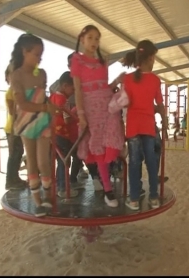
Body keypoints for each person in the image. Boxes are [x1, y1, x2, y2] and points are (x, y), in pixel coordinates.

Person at [71, 24, 125, 208]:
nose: (94, 41)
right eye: (90, 37)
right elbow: (78, 89)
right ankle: (108, 190)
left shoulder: (103, 62)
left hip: (107, 107)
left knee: (113, 139)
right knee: (98, 149)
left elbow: (104, 88)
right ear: (82, 39)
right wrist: (81, 114)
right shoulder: (77, 60)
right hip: (90, 110)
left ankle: (110, 180)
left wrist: (117, 81)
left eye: (97, 38)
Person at [10, 33, 59, 217]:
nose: (39, 58)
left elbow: (42, 95)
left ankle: (47, 195)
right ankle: (37, 200)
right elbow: (22, 104)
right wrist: (45, 107)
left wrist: (49, 109)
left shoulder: (42, 73)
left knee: (43, 161)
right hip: (25, 121)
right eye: (36, 54)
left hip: (42, 121)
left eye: (41, 55)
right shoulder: (17, 75)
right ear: (25, 52)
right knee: (31, 160)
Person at [122, 39, 167, 210]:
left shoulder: (127, 79)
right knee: (151, 161)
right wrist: (164, 120)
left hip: (133, 126)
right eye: (154, 58)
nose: (154, 61)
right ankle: (153, 197)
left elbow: (126, 103)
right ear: (149, 58)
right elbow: (160, 104)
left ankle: (133, 199)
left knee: (134, 162)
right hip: (148, 126)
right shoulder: (155, 80)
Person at [49, 71, 81, 198]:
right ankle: (63, 188)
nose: (73, 92)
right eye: (72, 88)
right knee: (64, 162)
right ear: (64, 86)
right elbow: (67, 118)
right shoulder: (63, 99)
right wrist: (78, 118)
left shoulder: (52, 97)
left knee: (60, 161)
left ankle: (58, 185)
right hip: (62, 134)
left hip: (53, 134)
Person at [4, 64, 27, 191]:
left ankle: (15, 177)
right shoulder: (10, 93)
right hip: (12, 128)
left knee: (19, 152)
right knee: (14, 153)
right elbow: (13, 112)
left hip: (19, 126)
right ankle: (10, 180)